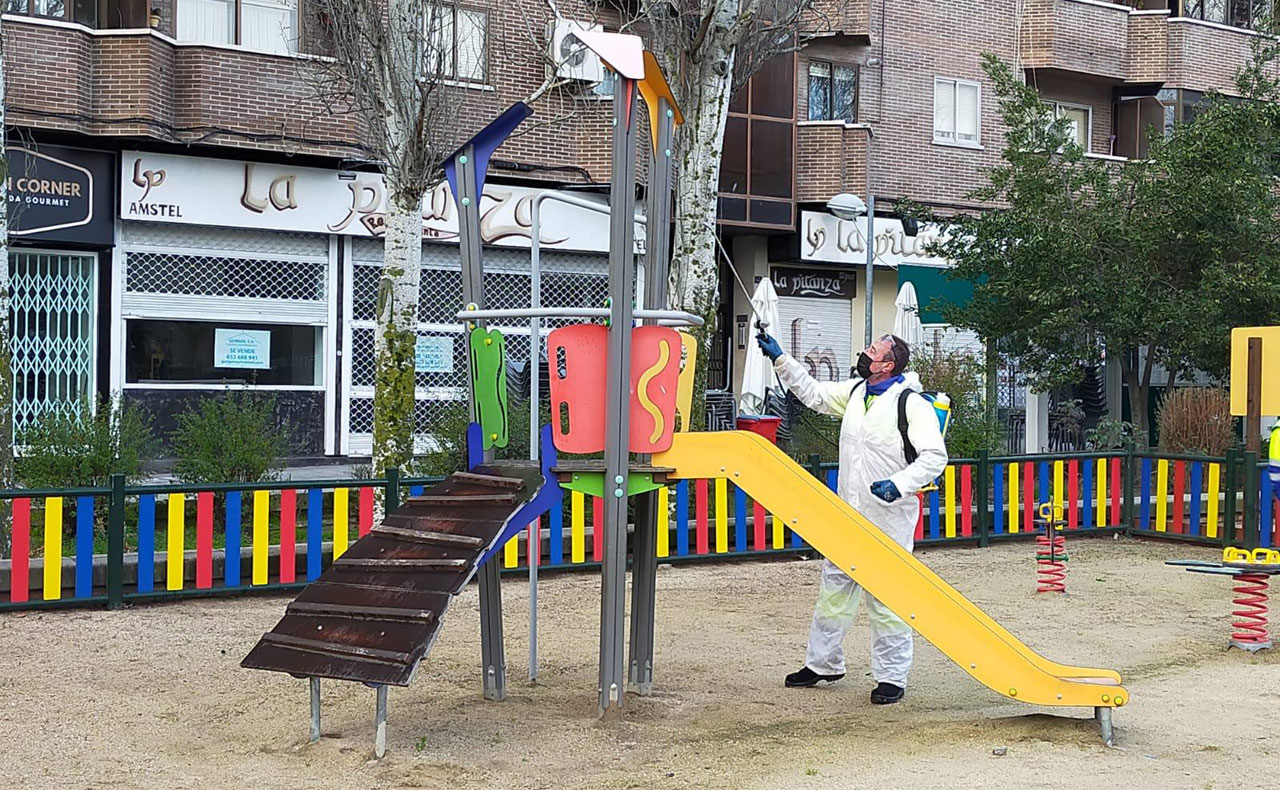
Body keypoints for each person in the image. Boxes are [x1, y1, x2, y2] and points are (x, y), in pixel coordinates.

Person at [756, 331, 948, 704]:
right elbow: (814, 395)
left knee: (888, 597)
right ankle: (822, 663)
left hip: (889, 517)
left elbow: (934, 457)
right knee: (834, 590)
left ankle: (892, 677)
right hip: (848, 512)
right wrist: (781, 359)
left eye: (872, 350)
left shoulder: (911, 405)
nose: (865, 352)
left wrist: (900, 483)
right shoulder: (857, 392)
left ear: (887, 364)